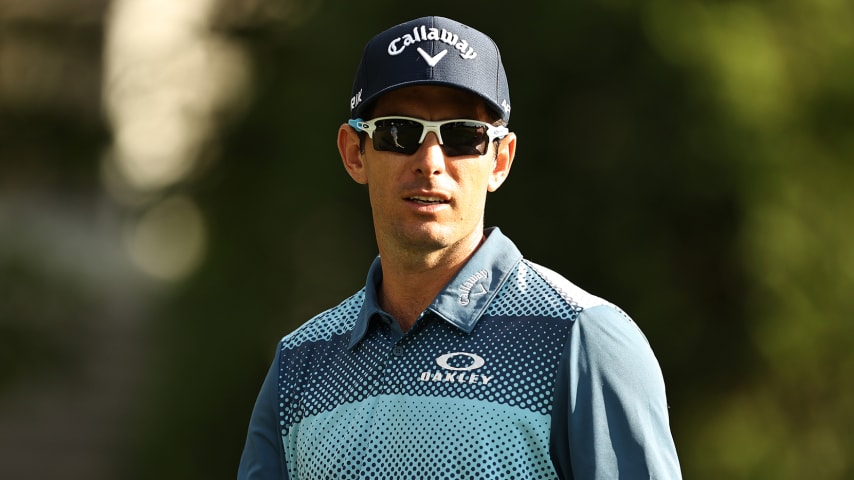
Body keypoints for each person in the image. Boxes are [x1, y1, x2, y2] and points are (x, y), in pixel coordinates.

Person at [238, 15, 682, 479]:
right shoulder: (301, 363)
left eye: (463, 136)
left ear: (500, 160)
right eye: (398, 132)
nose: (430, 162)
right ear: (354, 152)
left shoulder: (583, 340)